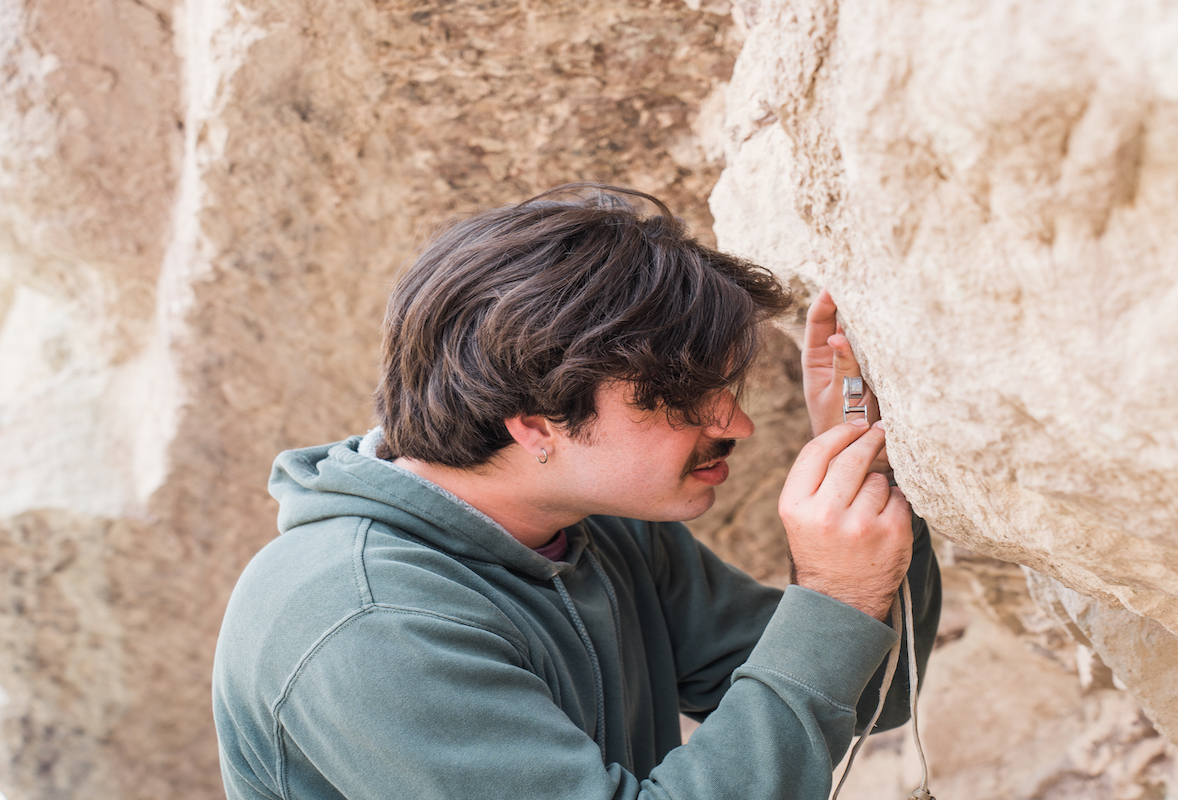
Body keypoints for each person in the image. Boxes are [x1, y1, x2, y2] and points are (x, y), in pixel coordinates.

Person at [212, 184, 940, 800]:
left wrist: (858, 455)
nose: (738, 425)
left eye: (725, 388)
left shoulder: (597, 528)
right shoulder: (368, 623)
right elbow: (829, 648)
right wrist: (835, 595)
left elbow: (868, 689)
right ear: (534, 426)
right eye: (677, 397)